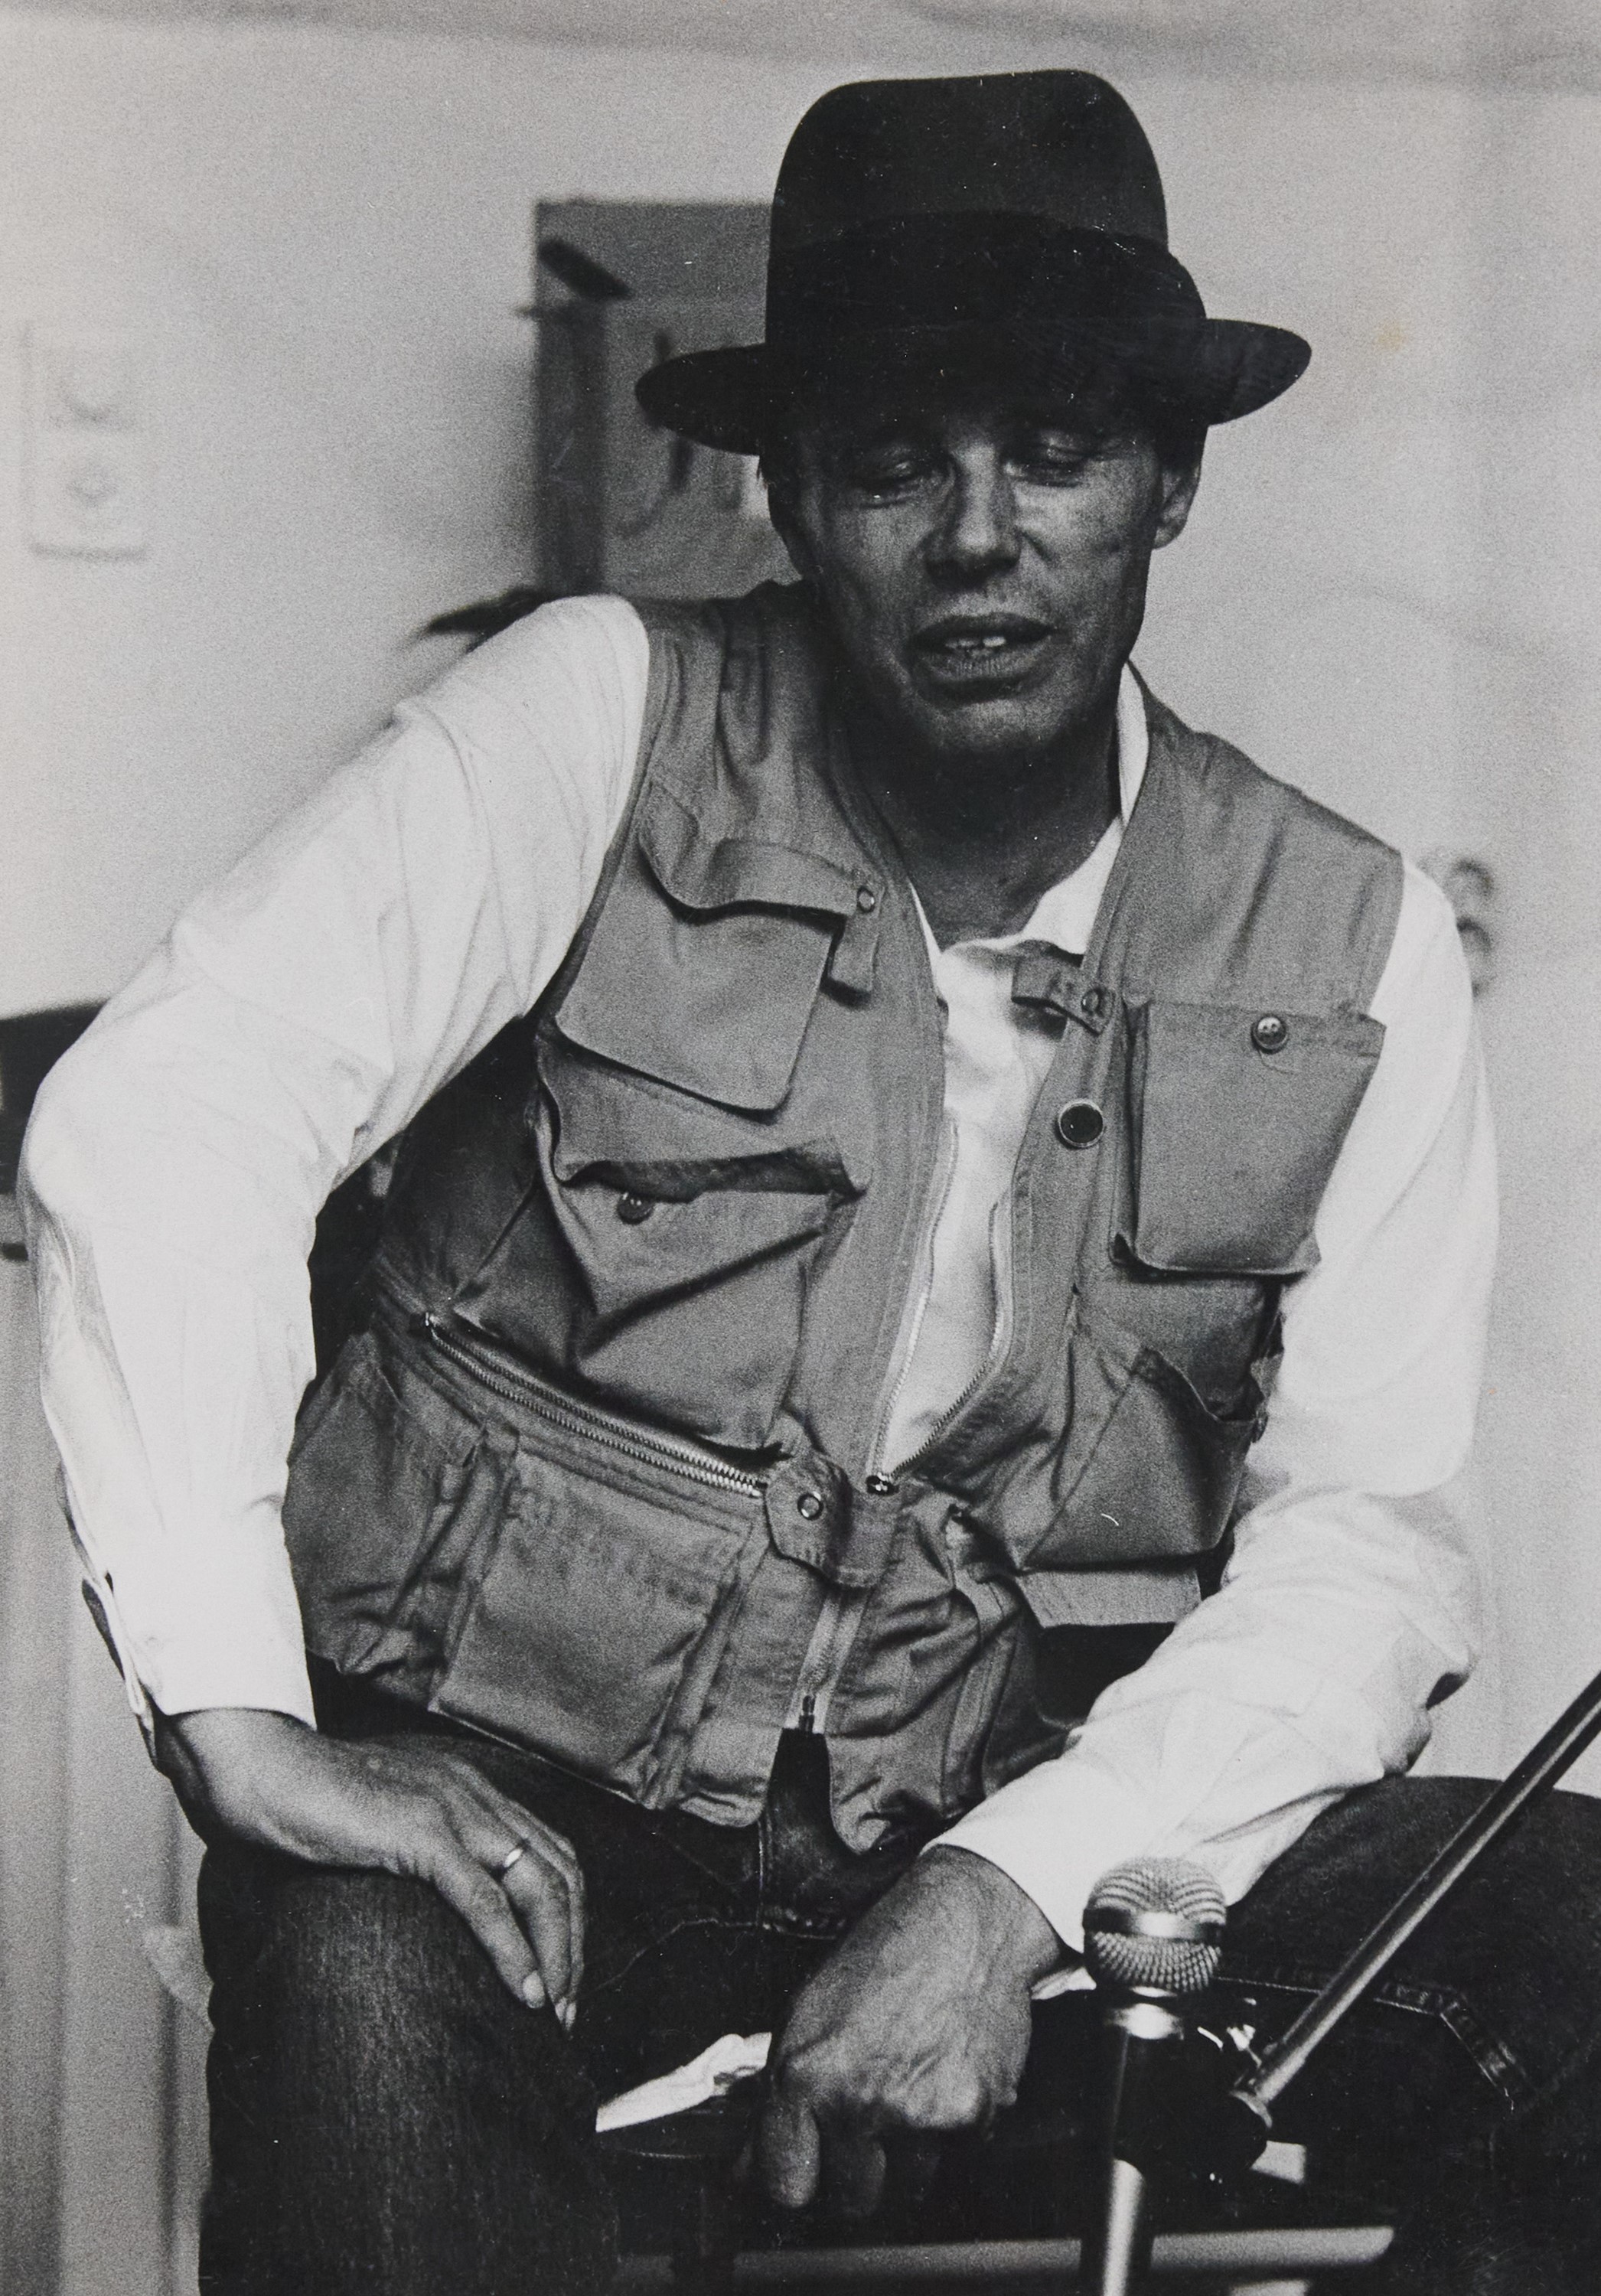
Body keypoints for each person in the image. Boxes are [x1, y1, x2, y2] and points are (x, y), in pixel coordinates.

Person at [21, 68, 1601, 2296]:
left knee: (1570, 1920)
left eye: (1056, 450)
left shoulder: (1351, 941)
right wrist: (240, 1726)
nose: (977, 537)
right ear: (783, 493)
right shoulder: (593, 717)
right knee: (360, 1978)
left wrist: (1001, 1895)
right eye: (892, 462)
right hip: (534, 1841)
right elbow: (172, 1102)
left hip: (1027, 1856)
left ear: (1170, 479)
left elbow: (1368, 1542)